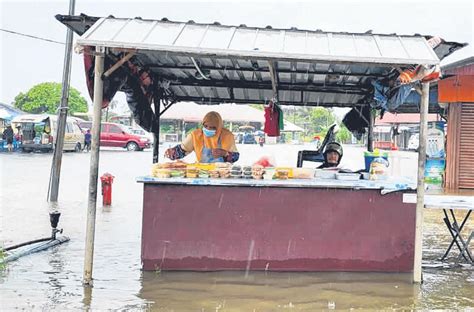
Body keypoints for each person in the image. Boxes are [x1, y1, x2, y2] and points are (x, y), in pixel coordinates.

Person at [164, 111, 239, 163]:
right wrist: (172, 153)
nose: (208, 129)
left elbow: (235, 157)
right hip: (201, 173)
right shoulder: (195, 135)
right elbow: (181, 150)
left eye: (213, 127)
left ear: (219, 127)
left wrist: (225, 153)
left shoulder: (227, 136)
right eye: (206, 126)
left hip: (222, 173)